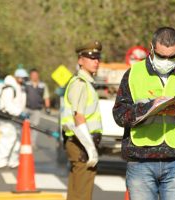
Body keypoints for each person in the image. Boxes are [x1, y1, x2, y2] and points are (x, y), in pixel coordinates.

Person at [112, 27, 175, 200]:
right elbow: (119, 114)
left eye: (172, 56)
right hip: (141, 161)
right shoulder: (134, 74)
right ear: (152, 48)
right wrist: (148, 108)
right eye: (162, 56)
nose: (166, 60)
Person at [61, 41, 102, 200]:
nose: (96, 61)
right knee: (82, 190)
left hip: (80, 141)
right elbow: (79, 116)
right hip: (81, 142)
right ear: (80, 60)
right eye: (91, 58)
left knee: (77, 187)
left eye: (97, 58)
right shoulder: (80, 83)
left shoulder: (85, 83)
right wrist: (90, 148)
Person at [0, 67, 28, 168]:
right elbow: (8, 105)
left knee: (16, 140)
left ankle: (13, 161)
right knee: (6, 140)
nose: (24, 80)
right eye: (22, 78)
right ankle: (0, 161)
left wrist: (21, 113)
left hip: (15, 118)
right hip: (7, 118)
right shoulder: (9, 88)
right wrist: (19, 113)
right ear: (17, 77)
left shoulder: (19, 87)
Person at [25, 68, 51, 148]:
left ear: (38, 75)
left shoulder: (42, 85)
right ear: (30, 76)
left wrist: (47, 107)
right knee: (25, 126)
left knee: (35, 126)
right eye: (33, 75)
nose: (34, 76)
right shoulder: (26, 84)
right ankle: (25, 141)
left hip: (37, 109)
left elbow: (46, 97)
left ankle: (32, 143)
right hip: (26, 108)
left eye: (36, 75)